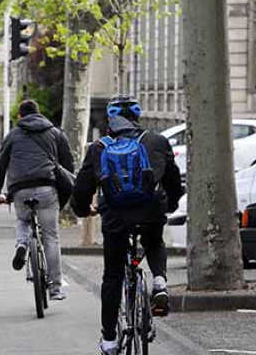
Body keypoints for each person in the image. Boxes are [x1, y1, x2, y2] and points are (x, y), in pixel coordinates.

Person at [70, 95, 183, 355]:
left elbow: (83, 186)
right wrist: (172, 204)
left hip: (115, 217)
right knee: (154, 241)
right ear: (137, 117)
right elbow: (174, 180)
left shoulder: (99, 147)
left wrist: (82, 210)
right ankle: (159, 283)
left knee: (112, 277)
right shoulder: (157, 141)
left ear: (111, 121)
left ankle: (109, 342)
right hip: (151, 210)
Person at [0, 100, 75, 301]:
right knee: (51, 237)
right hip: (47, 188)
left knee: (22, 219)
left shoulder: (12, 135)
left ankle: (21, 244)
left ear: (20, 117)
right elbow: (68, 164)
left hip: (19, 189)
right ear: (39, 114)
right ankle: (55, 288)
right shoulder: (54, 132)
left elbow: (1, 165)